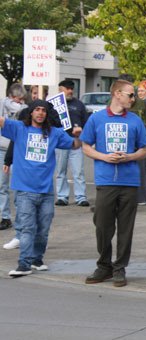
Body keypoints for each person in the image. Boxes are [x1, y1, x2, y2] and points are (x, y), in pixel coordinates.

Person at [81, 79, 146, 287]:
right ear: (117, 94)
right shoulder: (97, 119)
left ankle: (120, 268)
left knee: (126, 227)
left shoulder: (135, 120)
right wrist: (104, 157)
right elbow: (85, 146)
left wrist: (128, 157)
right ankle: (104, 265)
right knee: (102, 225)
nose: (133, 98)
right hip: (105, 179)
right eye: (130, 94)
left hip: (129, 181)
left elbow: (144, 150)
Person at [1, 100, 80, 277]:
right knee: (28, 228)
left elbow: (74, 145)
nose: (40, 113)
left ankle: (37, 260)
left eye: (43, 110)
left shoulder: (54, 132)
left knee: (43, 230)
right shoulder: (19, 128)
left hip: (46, 191)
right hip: (24, 190)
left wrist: (78, 135)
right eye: (36, 109)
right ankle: (24, 264)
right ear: (30, 112)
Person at [54, 80, 90, 207]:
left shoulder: (79, 104)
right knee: (60, 171)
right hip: (60, 143)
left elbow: (86, 123)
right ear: (60, 89)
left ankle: (81, 196)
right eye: (67, 88)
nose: (70, 91)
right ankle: (62, 196)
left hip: (76, 142)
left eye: (71, 88)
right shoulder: (54, 105)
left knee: (78, 171)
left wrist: (82, 134)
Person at [0, 83, 27, 232]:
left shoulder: (24, 109)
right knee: (1, 186)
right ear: (11, 97)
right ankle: (5, 217)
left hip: (17, 150)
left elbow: (21, 111)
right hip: (1, 149)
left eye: (22, 100)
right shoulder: (3, 104)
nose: (20, 103)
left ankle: (21, 217)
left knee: (17, 186)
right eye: (18, 99)